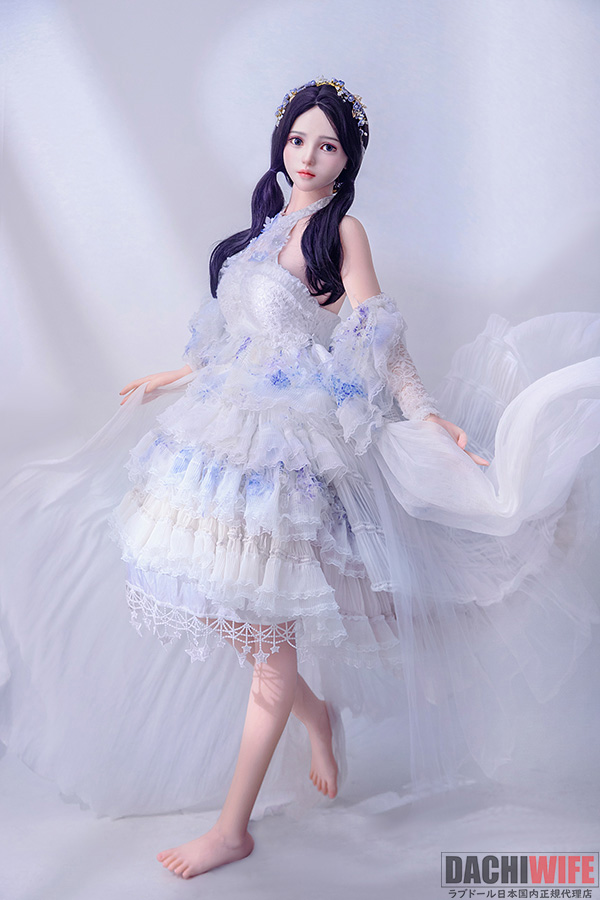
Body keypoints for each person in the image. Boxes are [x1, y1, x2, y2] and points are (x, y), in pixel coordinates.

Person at [1, 78, 599, 882]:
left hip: (290, 449)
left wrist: (429, 416)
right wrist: (170, 377)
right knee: (218, 599)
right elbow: (237, 343)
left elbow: (379, 338)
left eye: (327, 144)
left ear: (348, 159)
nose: (309, 156)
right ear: (280, 144)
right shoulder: (262, 233)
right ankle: (315, 714)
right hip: (224, 428)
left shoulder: (341, 232)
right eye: (297, 140)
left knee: (269, 649)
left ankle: (232, 828)